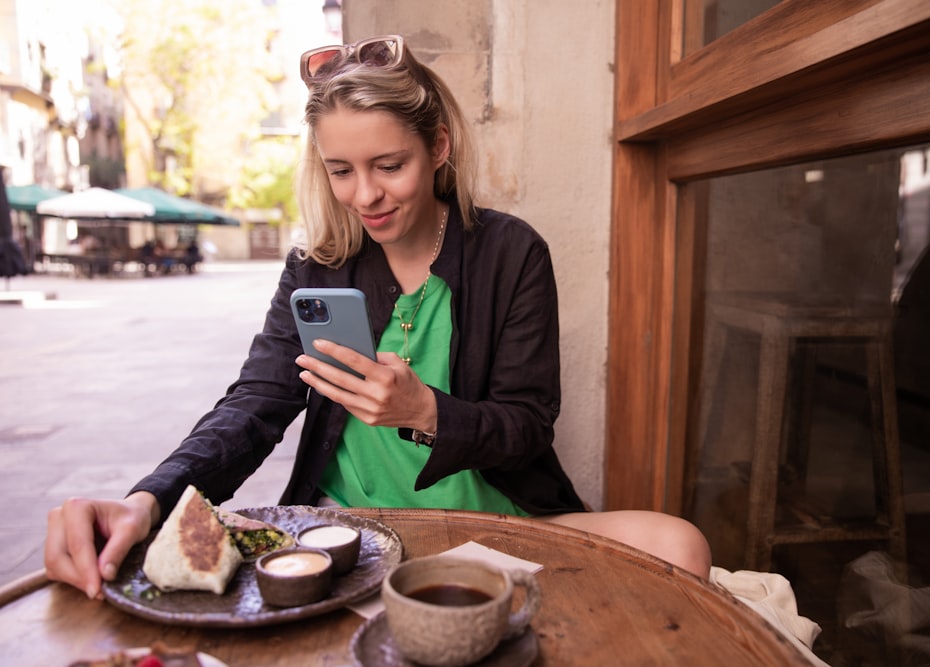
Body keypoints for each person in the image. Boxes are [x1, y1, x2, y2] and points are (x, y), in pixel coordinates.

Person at [45, 34, 711, 600]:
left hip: (492, 525)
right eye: (341, 170)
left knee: (679, 542)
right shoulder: (317, 264)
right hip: (349, 533)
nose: (365, 195)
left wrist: (426, 410)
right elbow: (252, 406)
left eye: (389, 165)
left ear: (439, 145)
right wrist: (150, 497)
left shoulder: (511, 252)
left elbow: (528, 426)